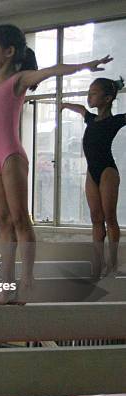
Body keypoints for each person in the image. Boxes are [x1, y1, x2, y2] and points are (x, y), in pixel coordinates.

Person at [0, 23, 112, 304]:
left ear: (9, 52)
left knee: (20, 218)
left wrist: (87, 65)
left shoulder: (19, 80)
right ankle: (6, 284)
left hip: (11, 156)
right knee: (3, 220)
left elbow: (53, 70)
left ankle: (27, 279)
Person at [61, 76, 125, 277]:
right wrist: (64, 104)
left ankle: (112, 264)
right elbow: (81, 109)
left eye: (93, 93)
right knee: (96, 218)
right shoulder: (90, 118)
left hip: (107, 171)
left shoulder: (115, 121)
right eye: (88, 93)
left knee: (110, 218)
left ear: (107, 99)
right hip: (92, 172)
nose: (89, 97)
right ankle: (97, 264)